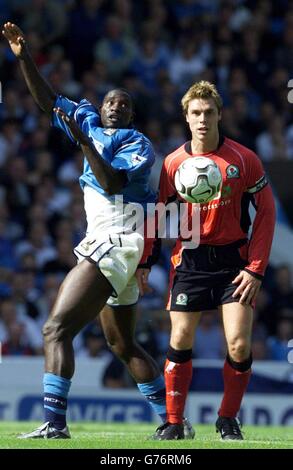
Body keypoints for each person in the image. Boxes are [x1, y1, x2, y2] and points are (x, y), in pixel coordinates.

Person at [2, 22, 195, 439]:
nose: (114, 107)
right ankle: (174, 422)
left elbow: (110, 184)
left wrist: (84, 142)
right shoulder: (87, 120)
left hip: (119, 240)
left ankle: (54, 425)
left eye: (123, 104)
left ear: (131, 114)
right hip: (116, 244)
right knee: (122, 345)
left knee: (55, 330)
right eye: (110, 102)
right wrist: (24, 58)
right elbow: (47, 101)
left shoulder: (136, 143)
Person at [140, 80, 276, 440]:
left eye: (209, 112)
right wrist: (144, 262)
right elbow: (157, 215)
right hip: (191, 260)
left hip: (235, 262)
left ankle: (227, 419)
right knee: (181, 336)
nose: (203, 119)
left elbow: (266, 212)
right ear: (186, 117)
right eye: (195, 113)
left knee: (239, 344)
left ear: (220, 115)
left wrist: (257, 268)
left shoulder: (244, 159)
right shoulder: (173, 163)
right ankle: (173, 422)